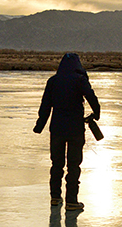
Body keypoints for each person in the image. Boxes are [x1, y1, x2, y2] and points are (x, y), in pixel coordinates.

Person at [33, 53, 100, 210]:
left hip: (57, 129)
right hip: (75, 129)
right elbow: (91, 97)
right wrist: (96, 114)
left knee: (56, 164)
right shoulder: (80, 80)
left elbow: (45, 105)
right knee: (73, 165)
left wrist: (39, 125)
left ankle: (55, 198)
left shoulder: (53, 81)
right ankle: (71, 201)